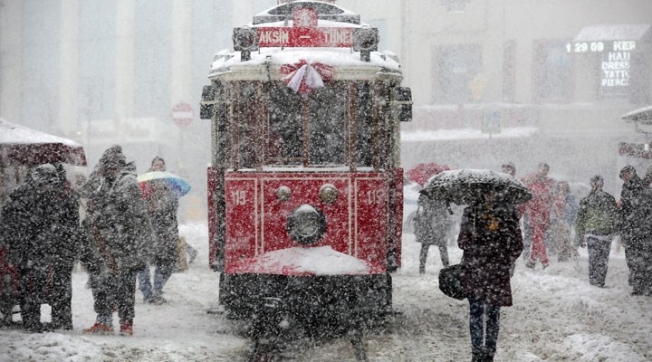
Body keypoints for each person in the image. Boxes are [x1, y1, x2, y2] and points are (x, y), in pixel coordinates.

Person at [81, 145, 155, 336]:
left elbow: (130, 215)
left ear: (118, 165)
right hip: (104, 245)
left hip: (124, 246)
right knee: (101, 284)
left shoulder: (127, 183)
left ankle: (126, 323)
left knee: (124, 287)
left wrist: (103, 210)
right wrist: (97, 173)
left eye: (108, 163)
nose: (105, 167)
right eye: (103, 163)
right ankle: (104, 321)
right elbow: (86, 191)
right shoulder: (105, 181)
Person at [1, 164, 76, 332]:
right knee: (33, 286)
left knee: (32, 286)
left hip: (32, 250)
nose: (50, 188)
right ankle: (37, 321)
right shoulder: (28, 197)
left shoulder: (28, 195)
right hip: (31, 250)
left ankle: (35, 321)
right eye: (48, 184)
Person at [457, 186, 524, 362]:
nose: (490, 195)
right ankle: (477, 351)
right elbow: (461, 242)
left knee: (493, 312)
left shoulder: (509, 214)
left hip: (495, 271)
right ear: (481, 193)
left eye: (494, 192)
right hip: (477, 269)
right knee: (476, 311)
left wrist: (504, 259)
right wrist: (473, 240)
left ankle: (489, 352)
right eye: (487, 192)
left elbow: (517, 244)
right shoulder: (471, 212)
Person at [137, 156, 181, 304]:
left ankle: (157, 289)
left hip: (165, 230)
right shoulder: (143, 183)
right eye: (155, 165)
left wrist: (165, 197)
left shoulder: (169, 183)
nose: (158, 167)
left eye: (160, 165)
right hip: (147, 230)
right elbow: (138, 205)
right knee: (143, 263)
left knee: (167, 262)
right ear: (151, 166)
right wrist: (150, 204)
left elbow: (173, 207)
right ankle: (147, 292)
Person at [574, 175, 619, 287]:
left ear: (602, 184)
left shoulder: (609, 199)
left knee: (603, 259)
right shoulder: (586, 200)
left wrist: (615, 228)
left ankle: (600, 281)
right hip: (592, 233)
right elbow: (580, 219)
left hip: (606, 233)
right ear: (591, 184)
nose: (596, 185)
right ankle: (594, 281)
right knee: (594, 258)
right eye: (594, 183)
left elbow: (615, 216)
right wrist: (579, 235)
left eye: (598, 183)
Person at [618, 165, 652, 296]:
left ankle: (641, 285)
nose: (624, 178)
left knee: (639, 259)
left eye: (625, 175)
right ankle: (642, 285)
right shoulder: (628, 189)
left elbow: (629, 210)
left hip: (638, 230)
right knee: (638, 259)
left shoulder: (639, 188)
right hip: (637, 230)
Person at [521, 162, 554, 269]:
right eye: (542, 169)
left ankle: (532, 260)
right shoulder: (530, 180)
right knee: (538, 236)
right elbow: (525, 193)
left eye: (546, 170)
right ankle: (545, 262)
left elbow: (550, 200)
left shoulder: (548, 183)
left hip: (544, 213)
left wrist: (548, 216)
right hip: (534, 212)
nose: (544, 171)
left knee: (537, 237)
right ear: (538, 169)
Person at [414, 193, 452, 274]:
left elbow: (420, 206)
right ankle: (446, 266)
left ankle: (422, 267)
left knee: (426, 247)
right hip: (437, 225)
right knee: (441, 247)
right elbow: (449, 210)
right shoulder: (443, 194)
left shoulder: (425, 193)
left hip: (430, 225)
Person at [551, 181, 579, 262]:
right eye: (561, 186)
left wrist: (568, 207)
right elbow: (552, 208)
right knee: (559, 238)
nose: (563, 188)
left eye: (564, 186)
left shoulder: (570, 197)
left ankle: (565, 254)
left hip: (566, 220)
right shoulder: (555, 196)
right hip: (557, 220)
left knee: (565, 238)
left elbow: (574, 209)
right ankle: (561, 254)